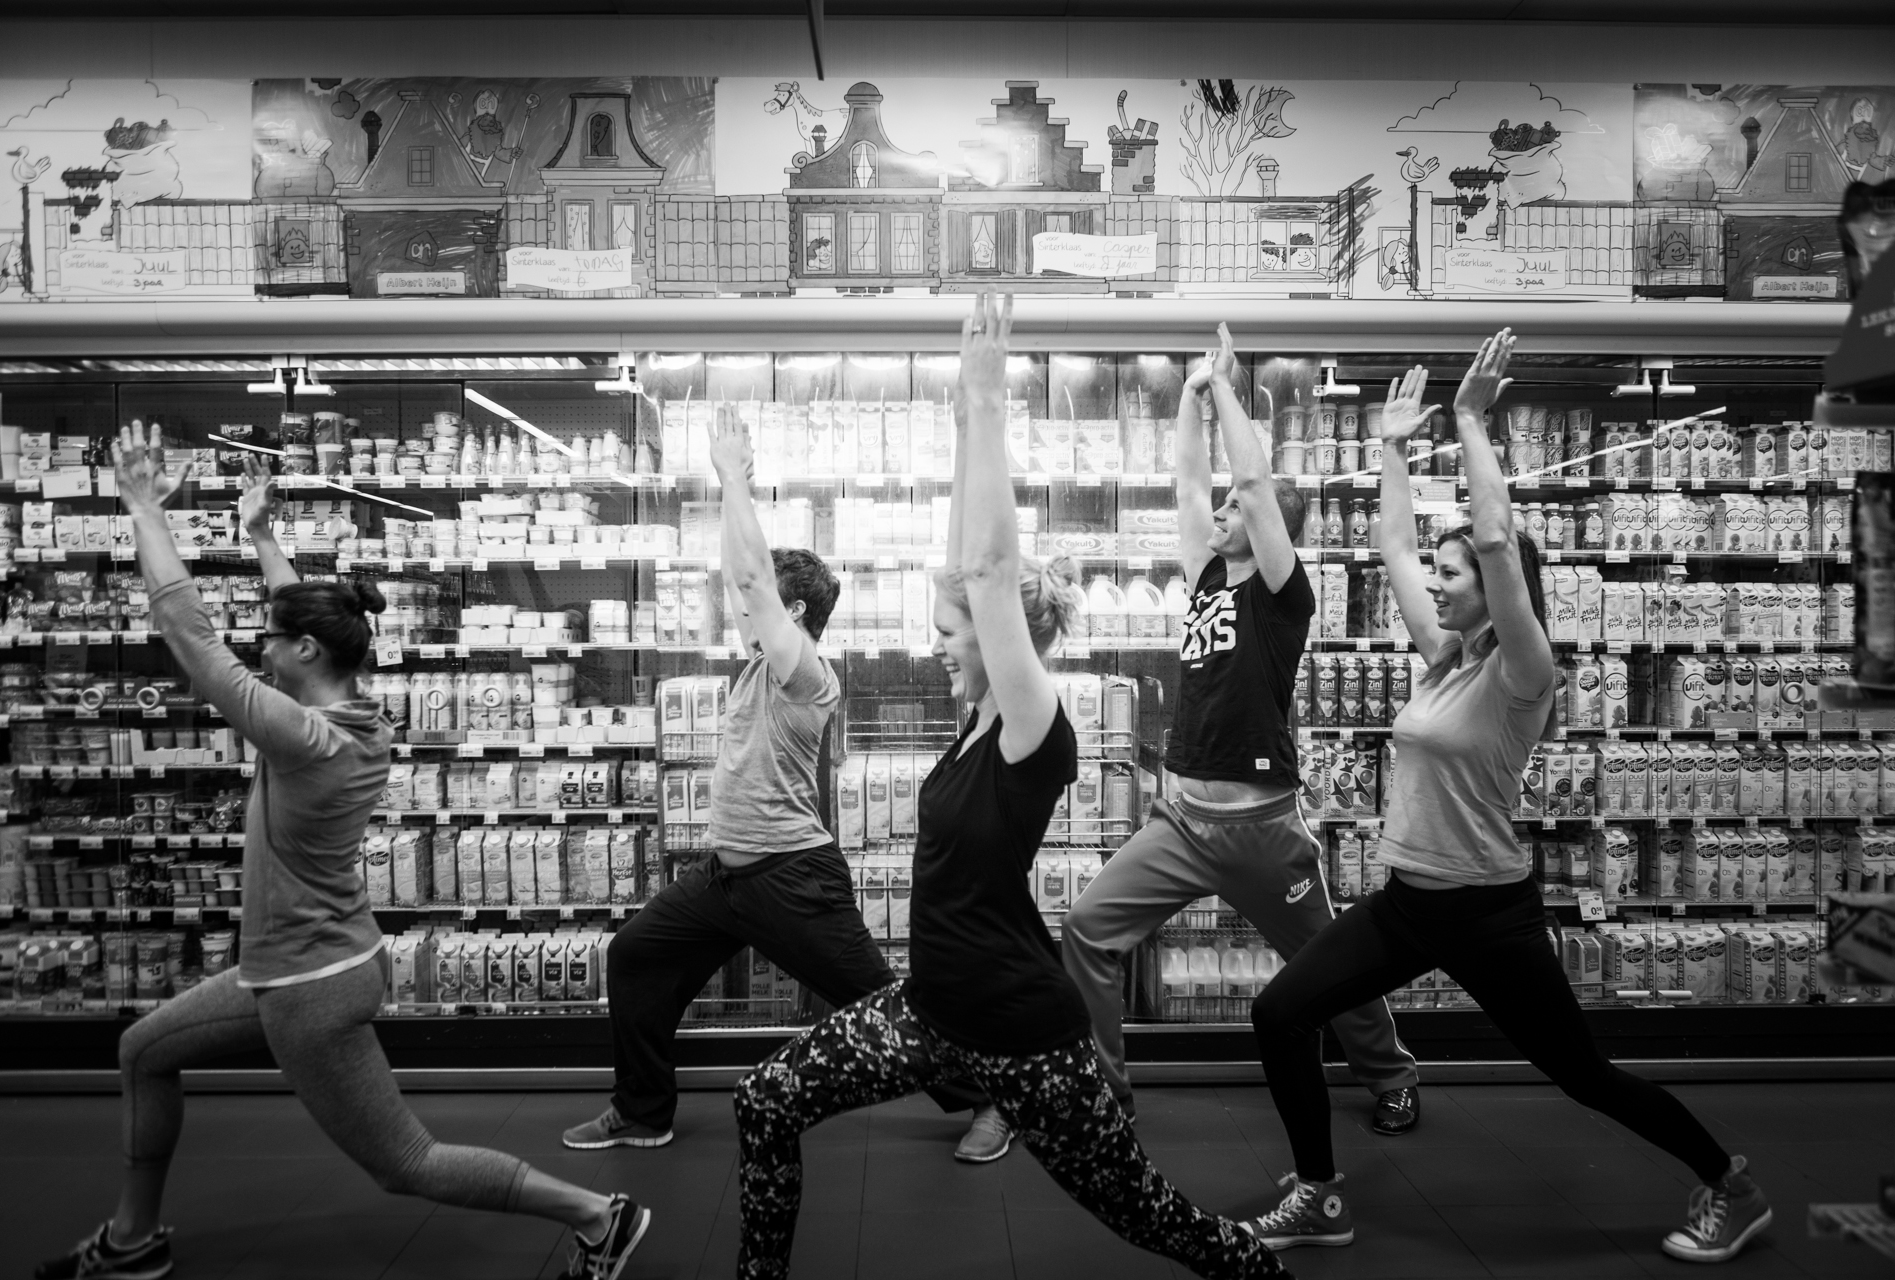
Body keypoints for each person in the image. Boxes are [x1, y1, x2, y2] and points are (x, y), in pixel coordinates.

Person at [730, 293, 1290, 1280]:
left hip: (1025, 1037)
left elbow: (988, 574)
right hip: (929, 1016)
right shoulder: (979, 717)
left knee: (1148, 1213)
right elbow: (967, 571)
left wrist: (982, 405)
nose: (939, 649)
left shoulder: (1035, 726)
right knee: (763, 1098)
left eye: (953, 639)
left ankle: (1257, 1265)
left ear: (1005, 646)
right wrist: (955, 428)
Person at [37, 428, 648, 1280]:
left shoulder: (302, 737)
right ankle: (131, 1238)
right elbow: (306, 621)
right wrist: (259, 539)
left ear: (306, 656)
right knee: (145, 1050)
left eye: (275, 642)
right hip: (304, 966)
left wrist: (144, 508)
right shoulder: (355, 715)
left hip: (307, 987)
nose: (263, 647)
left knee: (406, 1163)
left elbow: (190, 636)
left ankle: (597, 1215)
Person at [1245, 332, 1772, 1264]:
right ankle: (1321, 1195)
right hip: (1409, 902)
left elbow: (1492, 536)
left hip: (1488, 912)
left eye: (1455, 579)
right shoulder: (1447, 658)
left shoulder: (1524, 672)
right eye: (1443, 577)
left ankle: (1729, 1183)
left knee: (1581, 1074)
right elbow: (1395, 544)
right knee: (1280, 1012)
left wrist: (1472, 422)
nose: (1435, 588)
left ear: (1497, 590)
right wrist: (1394, 451)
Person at [563, 407, 985, 1158]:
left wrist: (730, 478)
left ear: (791, 614)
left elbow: (752, 578)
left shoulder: (805, 675)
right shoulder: (763, 662)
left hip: (792, 881)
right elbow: (743, 576)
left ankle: (986, 1100)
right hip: (725, 880)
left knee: (887, 1006)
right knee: (635, 957)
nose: (740, 606)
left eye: (759, 603)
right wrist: (733, 498)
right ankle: (643, 1110)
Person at [1062, 325, 1420, 1140]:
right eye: (1221, 510)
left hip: (1262, 831)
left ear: (1268, 535)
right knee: (1087, 930)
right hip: (1183, 821)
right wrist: (1191, 398)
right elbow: (1191, 485)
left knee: (1328, 960)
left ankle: (1392, 1075)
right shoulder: (1206, 580)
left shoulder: (1283, 598)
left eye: (1236, 512)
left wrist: (1226, 386)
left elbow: (1252, 485)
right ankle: (1106, 1095)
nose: (1221, 513)